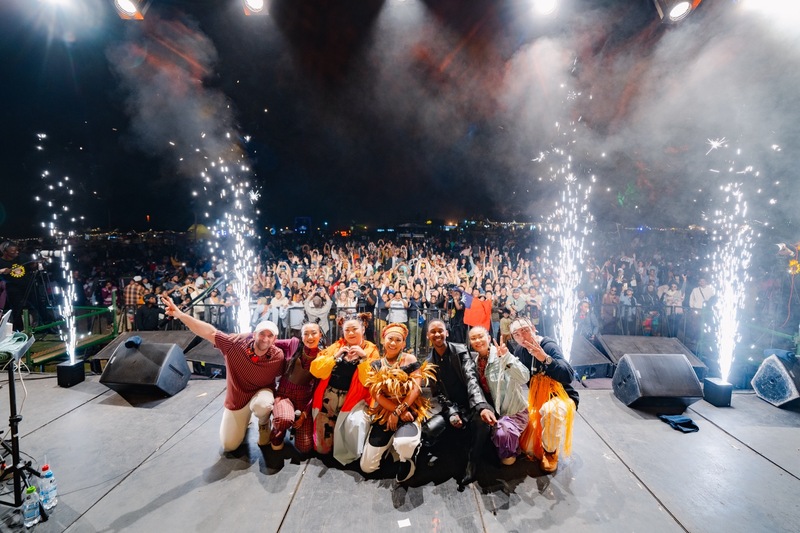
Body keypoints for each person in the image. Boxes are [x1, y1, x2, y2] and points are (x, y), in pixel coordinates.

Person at [160, 295, 298, 451]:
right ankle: (245, 420)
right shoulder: (235, 345)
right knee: (229, 445)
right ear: (254, 334)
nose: (265, 339)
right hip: (237, 398)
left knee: (263, 405)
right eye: (262, 334)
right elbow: (208, 332)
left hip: (261, 395)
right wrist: (180, 314)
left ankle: (264, 424)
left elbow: (291, 359)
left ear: (274, 339)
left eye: (270, 336)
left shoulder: (277, 355)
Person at [361, 323, 435, 482]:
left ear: (403, 343)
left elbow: (415, 389)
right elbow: (377, 395)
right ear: (383, 340)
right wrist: (394, 412)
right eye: (390, 339)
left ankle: (409, 456)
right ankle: (390, 448)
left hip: (409, 410)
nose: (393, 343)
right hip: (385, 413)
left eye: (398, 340)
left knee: (405, 444)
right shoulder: (376, 364)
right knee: (367, 467)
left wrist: (398, 411)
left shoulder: (410, 359)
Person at [424, 319, 494, 489]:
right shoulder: (429, 362)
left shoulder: (461, 350)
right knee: (430, 429)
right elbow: (438, 394)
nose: (437, 334)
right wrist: (452, 412)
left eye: (440, 330)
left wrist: (481, 405)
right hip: (452, 408)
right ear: (428, 336)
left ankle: (473, 460)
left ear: (446, 332)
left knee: (482, 421)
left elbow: (472, 380)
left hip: (471, 403)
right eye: (433, 332)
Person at [509, 317, 578, 473]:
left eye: (525, 330)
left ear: (534, 329)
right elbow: (518, 378)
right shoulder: (519, 350)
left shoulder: (548, 345)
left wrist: (545, 358)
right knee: (527, 447)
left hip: (561, 397)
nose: (522, 336)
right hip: (536, 401)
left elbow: (568, 375)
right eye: (516, 334)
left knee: (550, 411)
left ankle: (551, 453)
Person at [310, 313, 380, 465]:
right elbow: (316, 371)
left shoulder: (370, 350)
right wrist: (335, 357)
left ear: (363, 328)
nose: (351, 333)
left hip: (354, 400)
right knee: (322, 450)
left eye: (354, 329)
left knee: (354, 427)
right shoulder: (337, 346)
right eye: (347, 330)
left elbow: (369, 381)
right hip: (329, 398)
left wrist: (363, 359)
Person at [467, 327, 529, 465]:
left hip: (512, 411)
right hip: (492, 410)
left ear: (488, 338)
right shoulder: (474, 361)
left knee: (506, 455)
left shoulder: (501, 354)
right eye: (473, 338)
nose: (477, 340)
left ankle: (513, 442)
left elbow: (524, 377)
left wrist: (507, 358)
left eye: (480, 336)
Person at [270, 323, 323, 453]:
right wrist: (246, 337)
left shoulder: (323, 357)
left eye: (314, 333)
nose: (310, 337)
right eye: (306, 333)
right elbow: (267, 340)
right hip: (284, 394)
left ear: (320, 335)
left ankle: (290, 419)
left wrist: (305, 414)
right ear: (301, 335)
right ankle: (278, 429)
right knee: (284, 420)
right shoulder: (292, 344)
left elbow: (317, 390)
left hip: (304, 400)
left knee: (305, 447)